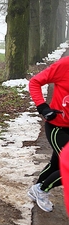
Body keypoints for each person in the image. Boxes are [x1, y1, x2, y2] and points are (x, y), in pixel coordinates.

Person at [27, 55, 69, 212]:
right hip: (57, 127)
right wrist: (43, 107)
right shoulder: (64, 65)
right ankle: (42, 189)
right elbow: (35, 82)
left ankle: (37, 188)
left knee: (56, 164)